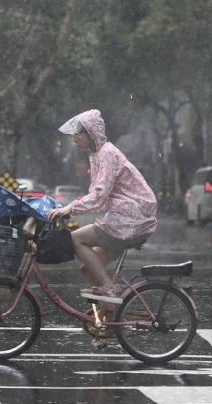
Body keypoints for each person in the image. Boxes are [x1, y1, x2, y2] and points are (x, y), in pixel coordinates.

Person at [46, 109, 157, 300]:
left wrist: (70, 208)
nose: (74, 139)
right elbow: (98, 195)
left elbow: (99, 196)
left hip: (130, 218)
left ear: (90, 133)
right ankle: (110, 318)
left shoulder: (106, 154)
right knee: (88, 271)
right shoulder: (97, 154)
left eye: (77, 134)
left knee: (74, 239)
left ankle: (110, 288)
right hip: (125, 217)